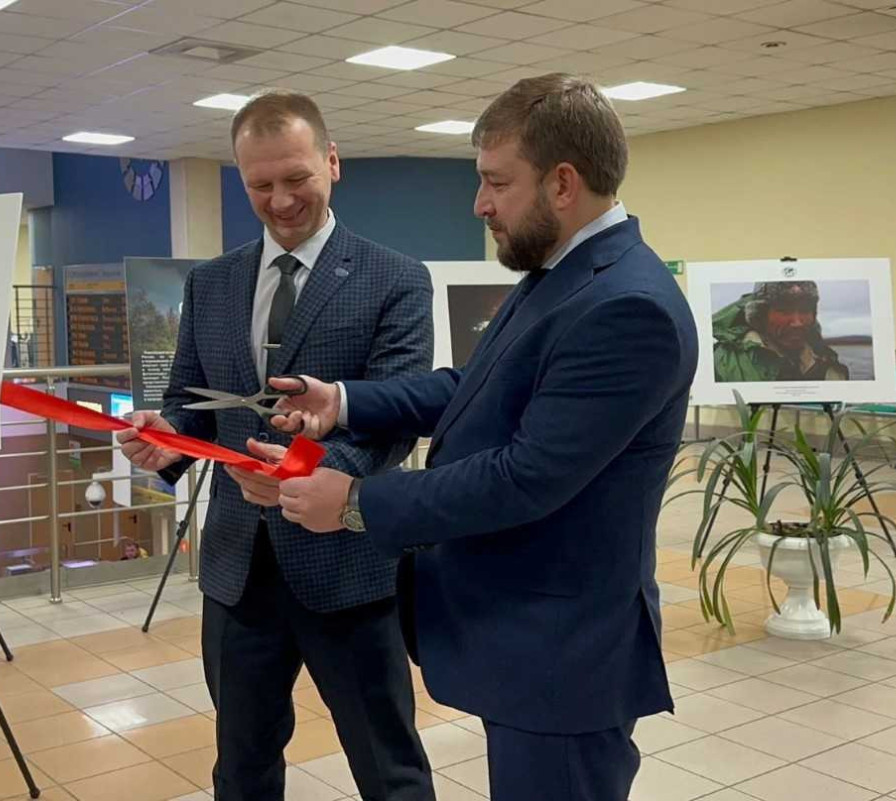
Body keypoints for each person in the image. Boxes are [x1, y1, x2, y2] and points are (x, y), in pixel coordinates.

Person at [266, 74, 698, 801]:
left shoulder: (627, 305)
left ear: (563, 184)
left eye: (497, 182)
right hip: (525, 638)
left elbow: (525, 475)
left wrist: (358, 501)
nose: (481, 204)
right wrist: (342, 402)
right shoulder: (564, 273)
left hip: (563, 650)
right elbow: (474, 390)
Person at [117, 91, 435, 801]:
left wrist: (312, 475)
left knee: (390, 768)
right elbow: (192, 404)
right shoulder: (212, 282)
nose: (281, 199)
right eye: (260, 185)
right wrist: (167, 441)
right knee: (242, 766)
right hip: (238, 573)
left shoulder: (395, 278)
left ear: (332, 161)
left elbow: (396, 415)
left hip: (347, 564)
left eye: (297, 179)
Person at [712, 280, 850, 382]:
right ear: (760, 316)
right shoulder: (723, 362)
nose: (797, 322)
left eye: (804, 310)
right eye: (784, 311)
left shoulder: (826, 361)